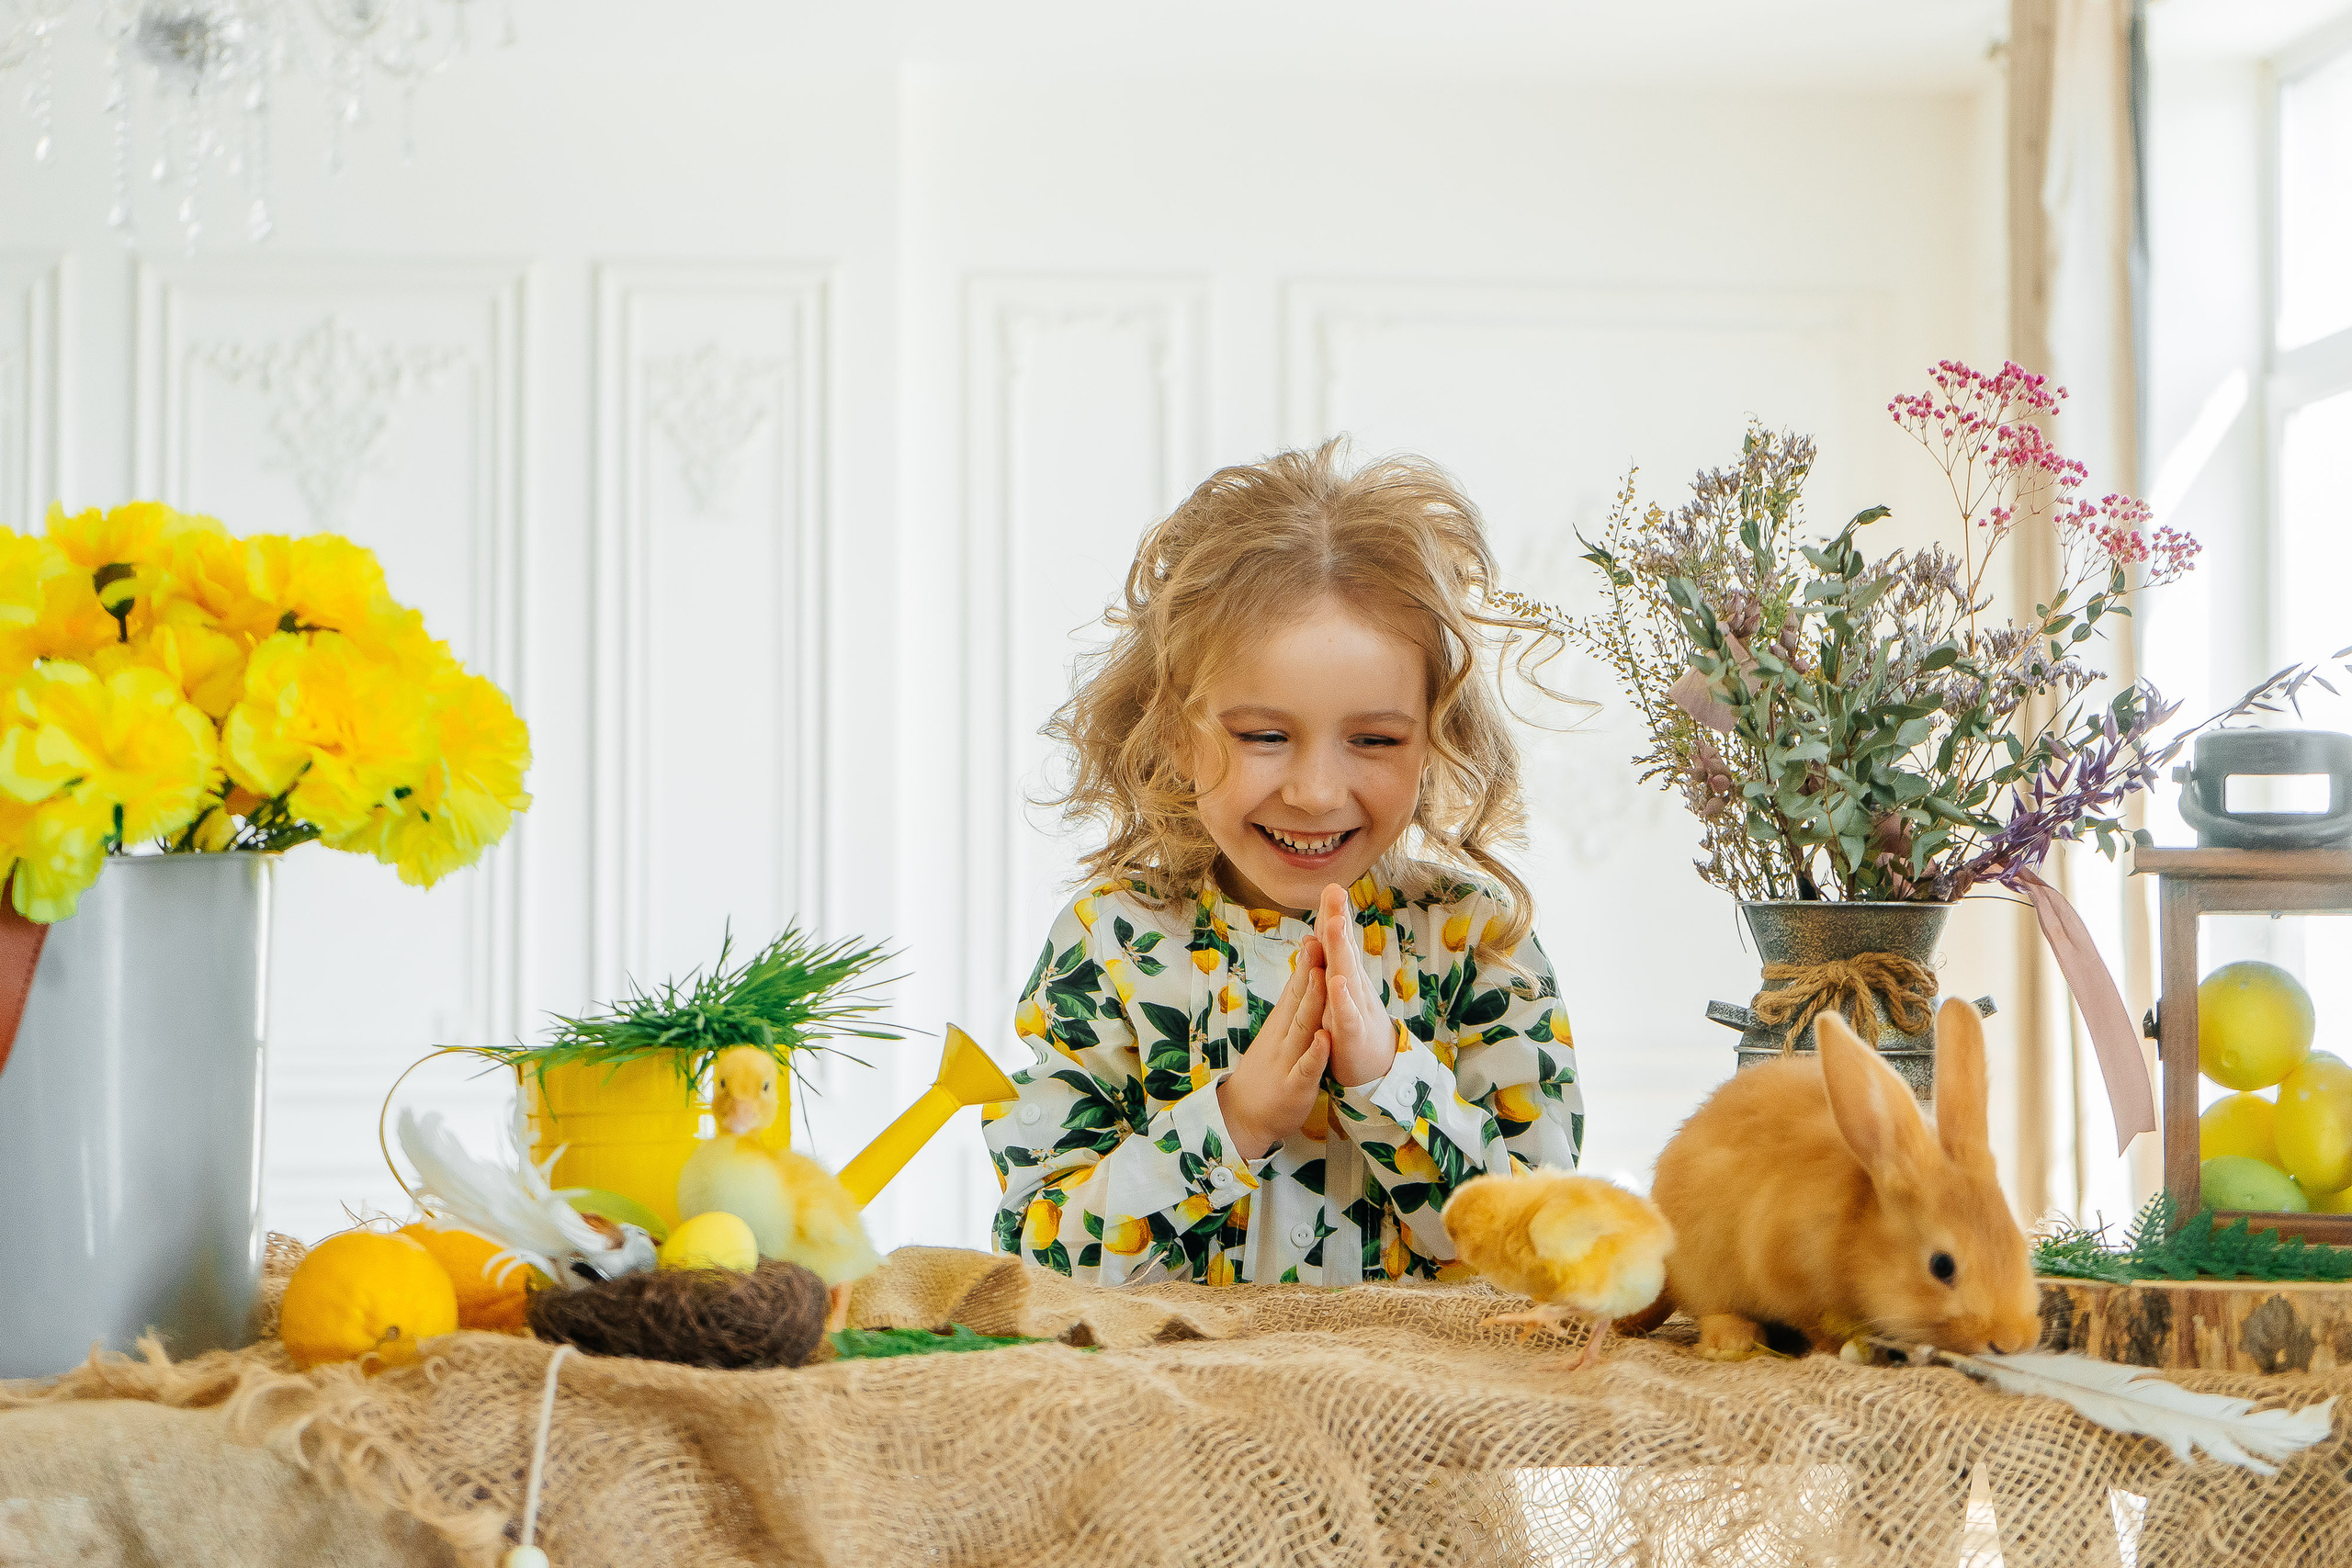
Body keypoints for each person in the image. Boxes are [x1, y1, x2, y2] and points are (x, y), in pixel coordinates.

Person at [986, 440, 1580, 1286]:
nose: (1313, 790)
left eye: (1374, 739)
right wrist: (1236, 1118)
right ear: (1173, 737)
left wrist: (1388, 1080)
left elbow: (1551, 1253)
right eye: (1264, 737)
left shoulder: (1479, 942)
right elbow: (1042, 1260)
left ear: (1434, 743)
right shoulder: (1109, 945)